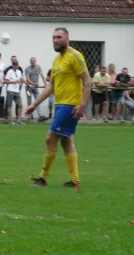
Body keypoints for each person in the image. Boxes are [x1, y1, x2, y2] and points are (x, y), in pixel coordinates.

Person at [26, 27, 90, 189]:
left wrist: (82, 104)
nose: (55, 40)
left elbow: (88, 81)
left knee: (50, 138)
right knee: (66, 140)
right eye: (54, 37)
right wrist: (35, 104)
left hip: (70, 105)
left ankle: (42, 178)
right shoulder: (56, 60)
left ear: (67, 39)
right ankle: (74, 181)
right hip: (60, 104)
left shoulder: (75, 56)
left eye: (59, 37)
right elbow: (51, 86)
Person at [25, 57, 49, 122]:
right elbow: (27, 79)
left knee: (38, 101)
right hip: (28, 88)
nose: (33, 62)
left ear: (35, 61)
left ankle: (40, 116)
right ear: (30, 62)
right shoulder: (27, 69)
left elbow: (42, 75)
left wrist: (45, 83)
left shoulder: (38, 67)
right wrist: (34, 84)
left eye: (34, 61)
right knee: (29, 101)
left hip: (35, 88)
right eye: (32, 61)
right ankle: (30, 115)